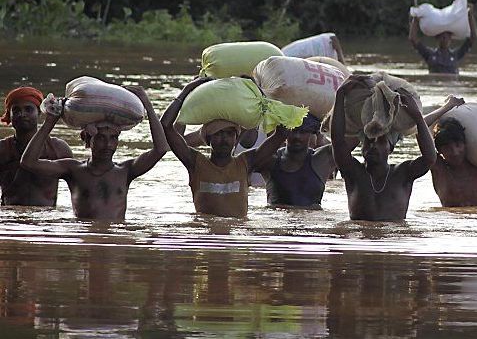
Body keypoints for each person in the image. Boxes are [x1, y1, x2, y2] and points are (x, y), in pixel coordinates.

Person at [19, 86, 167, 220]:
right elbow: (28, 162)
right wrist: (49, 122)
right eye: (101, 138)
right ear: (87, 139)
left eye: (113, 138)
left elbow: (160, 149)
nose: (108, 144)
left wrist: (147, 105)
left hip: (116, 242)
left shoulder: (126, 170)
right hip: (86, 242)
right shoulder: (73, 170)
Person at [161, 77, 286, 218]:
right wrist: (185, 92)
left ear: (236, 138)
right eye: (218, 134)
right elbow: (166, 125)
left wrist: (262, 99)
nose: (224, 139)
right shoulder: (195, 162)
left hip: (237, 237)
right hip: (205, 236)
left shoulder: (246, 162)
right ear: (208, 139)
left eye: (229, 134)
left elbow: (282, 133)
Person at [331, 75, 437, 220]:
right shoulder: (353, 172)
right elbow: (338, 142)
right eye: (368, 141)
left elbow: (430, 158)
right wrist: (340, 95)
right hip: (360, 241)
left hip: (394, 241)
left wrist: (418, 117)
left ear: (391, 148)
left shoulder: (403, 173)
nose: (373, 145)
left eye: (381, 141)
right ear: (361, 146)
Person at [0, 87, 72, 206]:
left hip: (46, 220)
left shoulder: (58, 148)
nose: (22, 114)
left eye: (28, 109)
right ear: (9, 114)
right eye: (16, 110)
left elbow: (79, 186)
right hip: (10, 221)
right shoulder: (3, 149)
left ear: (39, 112)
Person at [253, 113, 336, 209]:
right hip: (277, 220)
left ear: (312, 132)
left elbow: (345, 143)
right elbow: (242, 162)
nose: (297, 137)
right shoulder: (270, 160)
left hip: (311, 222)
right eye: (293, 130)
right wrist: (277, 136)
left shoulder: (321, 159)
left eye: (303, 132)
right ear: (284, 131)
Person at [408, 3, 477, 74]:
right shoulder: (429, 54)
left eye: (447, 36)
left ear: (451, 39)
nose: (444, 39)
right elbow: (413, 39)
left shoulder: (456, 55)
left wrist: (470, 15)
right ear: (437, 38)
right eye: (442, 36)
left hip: (452, 83)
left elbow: (473, 37)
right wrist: (415, 19)